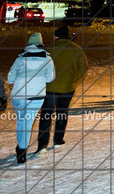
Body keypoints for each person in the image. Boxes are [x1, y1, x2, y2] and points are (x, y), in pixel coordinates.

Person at [36, 25, 87, 155]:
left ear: (57, 36)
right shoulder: (77, 49)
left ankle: (42, 145)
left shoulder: (49, 49)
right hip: (68, 87)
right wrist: (73, 79)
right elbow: (83, 67)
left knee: (46, 115)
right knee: (62, 113)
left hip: (49, 88)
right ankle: (58, 140)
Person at [8, 33, 55, 164]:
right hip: (36, 95)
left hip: (18, 94)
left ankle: (21, 148)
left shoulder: (20, 59)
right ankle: (21, 150)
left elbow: (10, 78)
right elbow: (50, 78)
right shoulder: (47, 59)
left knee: (21, 121)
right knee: (27, 123)